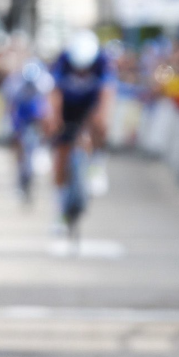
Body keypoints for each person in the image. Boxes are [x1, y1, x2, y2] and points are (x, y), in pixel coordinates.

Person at [46, 29, 116, 219]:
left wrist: (102, 118)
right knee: (61, 151)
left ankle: (97, 165)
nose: (81, 72)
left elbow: (106, 94)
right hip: (68, 106)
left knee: (100, 124)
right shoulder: (63, 60)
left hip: (89, 104)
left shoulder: (102, 62)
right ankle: (59, 208)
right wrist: (54, 118)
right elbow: (55, 93)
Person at [2, 58, 53, 200]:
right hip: (20, 118)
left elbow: (49, 106)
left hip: (36, 118)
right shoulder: (14, 83)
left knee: (38, 139)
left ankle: (43, 150)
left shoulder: (45, 83)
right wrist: (10, 124)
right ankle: (20, 175)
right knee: (19, 146)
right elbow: (9, 106)